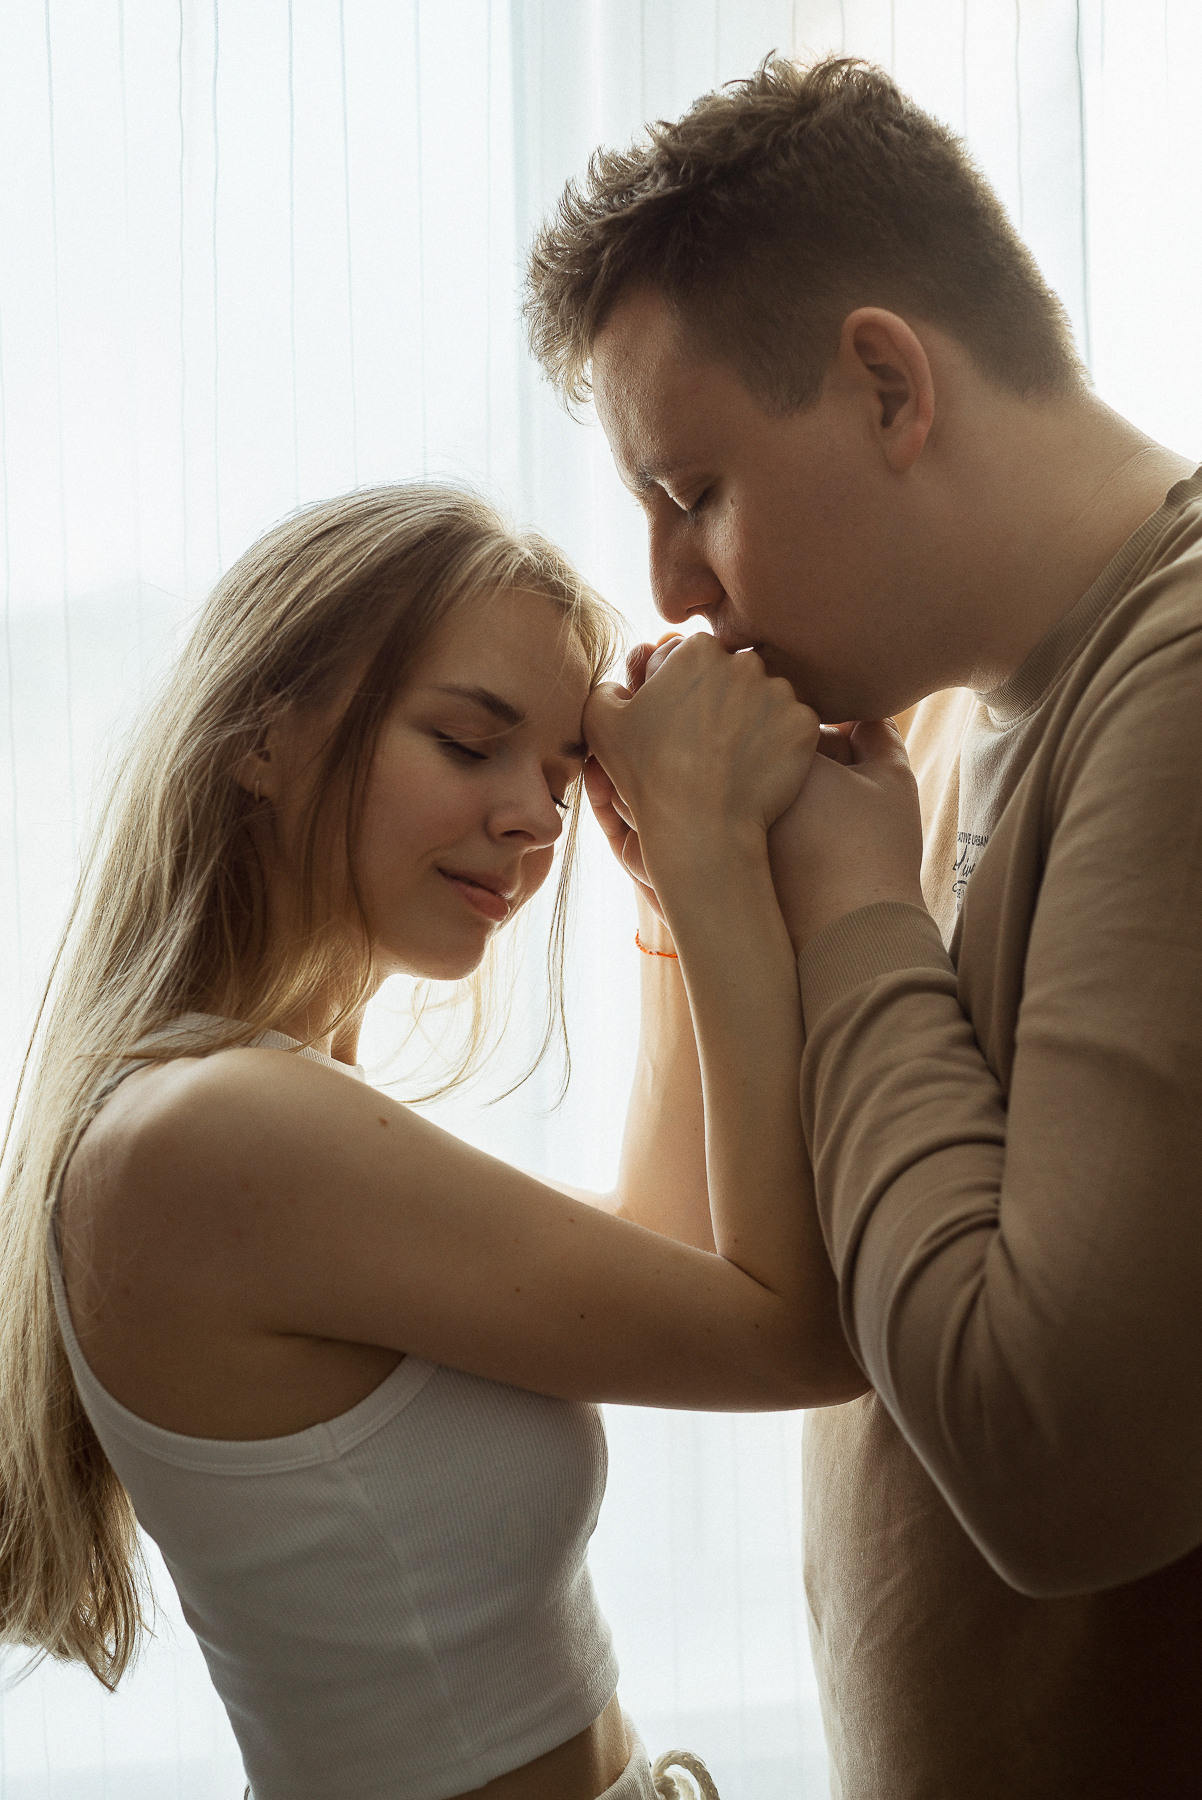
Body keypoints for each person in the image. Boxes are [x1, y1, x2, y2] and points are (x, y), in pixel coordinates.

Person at [524, 53, 1202, 1800]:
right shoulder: (938, 725)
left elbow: (1053, 1472)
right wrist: (709, 890)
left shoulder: (1182, 688)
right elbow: (749, 1268)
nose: (669, 586)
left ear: (887, 385)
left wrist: (839, 901)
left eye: (691, 495)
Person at [0, 483, 864, 1800]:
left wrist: (669, 901)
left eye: (567, 772)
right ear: (263, 736)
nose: (536, 816)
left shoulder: (236, 1108)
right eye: (469, 744)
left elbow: (677, 1254)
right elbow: (791, 1330)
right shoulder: (216, 1131)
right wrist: (712, 856)